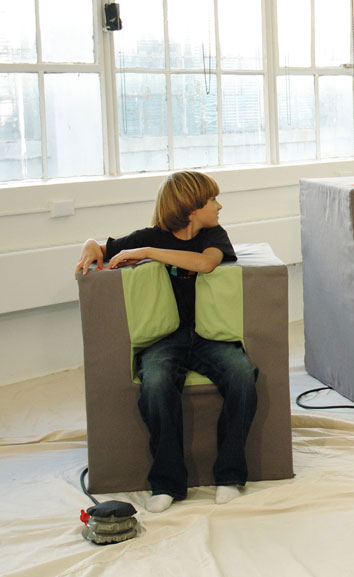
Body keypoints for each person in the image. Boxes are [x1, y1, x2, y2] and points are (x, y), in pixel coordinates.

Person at [75, 171, 257, 513]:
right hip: (164, 339)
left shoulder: (213, 235)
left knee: (242, 375)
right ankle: (167, 482)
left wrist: (147, 252)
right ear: (190, 208)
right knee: (156, 382)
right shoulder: (153, 234)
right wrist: (89, 251)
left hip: (208, 336)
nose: (219, 205)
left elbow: (205, 264)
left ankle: (229, 475)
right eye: (211, 200)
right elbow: (96, 245)